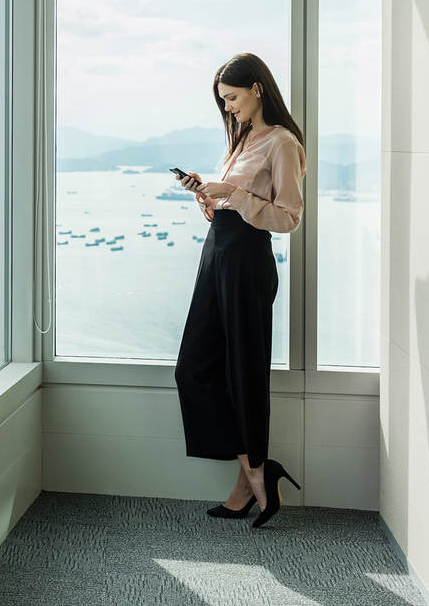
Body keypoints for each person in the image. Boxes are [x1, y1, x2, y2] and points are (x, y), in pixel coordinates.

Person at [174, 53, 305, 528]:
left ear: (257, 89)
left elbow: (288, 217)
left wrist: (234, 195)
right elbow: (230, 203)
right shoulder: (243, 136)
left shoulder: (283, 143)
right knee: (194, 369)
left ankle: (249, 479)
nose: (228, 108)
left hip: (248, 260)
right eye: (223, 101)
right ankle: (256, 472)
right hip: (216, 254)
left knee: (244, 373)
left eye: (231, 98)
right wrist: (207, 198)